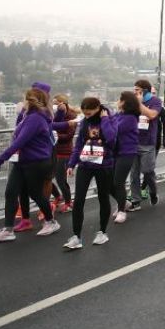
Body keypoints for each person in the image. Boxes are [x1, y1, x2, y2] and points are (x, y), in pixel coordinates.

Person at [0, 88, 60, 242]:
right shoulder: (29, 116)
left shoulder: (36, 119)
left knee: (36, 194)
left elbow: (20, 141)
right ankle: (8, 229)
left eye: (24, 100)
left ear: (29, 100)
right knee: (11, 192)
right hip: (21, 161)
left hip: (36, 162)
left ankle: (51, 222)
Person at [62, 97, 115, 249]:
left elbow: (111, 139)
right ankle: (76, 237)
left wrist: (104, 120)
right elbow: (79, 144)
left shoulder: (110, 119)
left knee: (103, 198)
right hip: (85, 164)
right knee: (78, 200)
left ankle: (102, 232)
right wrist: (71, 164)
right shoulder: (85, 121)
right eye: (84, 113)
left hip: (104, 165)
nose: (87, 116)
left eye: (89, 113)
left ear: (98, 108)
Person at [109, 91, 141, 223]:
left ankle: (122, 210)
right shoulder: (118, 114)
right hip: (115, 152)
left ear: (124, 102)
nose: (117, 101)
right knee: (109, 183)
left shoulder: (130, 118)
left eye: (119, 99)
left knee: (118, 182)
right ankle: (124, 202)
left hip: (126, 153)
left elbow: (114, 130)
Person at [130, 79, 162, 209]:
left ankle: (153, 192)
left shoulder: (155, 101)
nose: (135, 92)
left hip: (148, 143)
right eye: (134, 90)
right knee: (134, 174)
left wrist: (139, 103)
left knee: (147, 171)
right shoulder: (132, 102)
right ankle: (135, 200)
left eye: (137, 90)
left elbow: (152, 115)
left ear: (145, 90)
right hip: (133, 142)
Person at [50, 94, 78, 214]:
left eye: (56, 103)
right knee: (46, 178)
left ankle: (68, 202)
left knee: (61, 179)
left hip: (64, 152)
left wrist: (55, 136)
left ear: (63, 103)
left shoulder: (71, 117)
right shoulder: (53, 115)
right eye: (53, 103)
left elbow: (69, 136)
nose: (54, 105)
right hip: (53, 151)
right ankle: (57, 196)